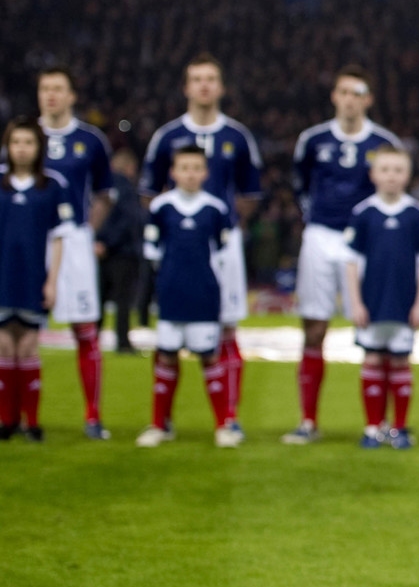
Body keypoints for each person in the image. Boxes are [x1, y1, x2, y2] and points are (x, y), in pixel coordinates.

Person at [142, 55, 262, 432]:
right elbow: (151, 193)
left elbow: (250, 195)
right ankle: (164, 420)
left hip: (222, 250)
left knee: (227, 329)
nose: (204, 86)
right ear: (186, 87)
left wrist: (223, 228)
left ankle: (230, 417)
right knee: (168, 336)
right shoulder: (167, 136)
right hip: (179, 251)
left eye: (211, 79)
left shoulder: (238, 137)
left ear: (222, 87)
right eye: (197, 79)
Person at [284, 66, 398, 444]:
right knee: (314, 327)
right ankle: (308, 421)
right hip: (320, 235)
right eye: (344, 92)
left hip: (364, 241)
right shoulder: (313, 140)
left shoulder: (383, 142)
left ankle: (377, 425)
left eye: (358, 93)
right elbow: (299, 182)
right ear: (335, 96)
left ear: (369, 99)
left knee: (374, 331)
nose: (350, 99)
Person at [136, 145, 243, 448]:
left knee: (209, 357)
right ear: (173, 172)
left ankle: (223, 426)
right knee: (167, 355)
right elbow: (152, 252)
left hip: (204, 296)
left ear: (205, 173)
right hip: (171, 294)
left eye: (196, 168)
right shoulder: (161, 208)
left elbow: (222, 256)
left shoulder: (215, 209)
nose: (190, 174)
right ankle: (159, 425)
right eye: (184, 167)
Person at [35, 67, 114, 439]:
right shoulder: (22, 137)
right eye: (45, 89)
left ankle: (93, 416)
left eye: (58, 89)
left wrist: (87, 233)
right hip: (31, 242)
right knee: (17, 329)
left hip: (75, 239)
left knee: (85, 329)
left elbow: (105, 193)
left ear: (71, 96)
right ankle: (21, 417)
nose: (51, 95)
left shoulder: (91, 140)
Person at [342, 147, 419, 451]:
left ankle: (398, 428)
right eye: (385, 170)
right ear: (373, 175)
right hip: (371, 303)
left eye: (398, 170)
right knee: (371, 358)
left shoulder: (416, 215)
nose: (391, 176)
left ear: (407, 176)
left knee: (400, 360)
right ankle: (373, 427)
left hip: (404, 304)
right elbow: (350, 262)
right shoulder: (363, 213)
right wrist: (355, 303)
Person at [0, 120, 76, 442]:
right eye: (16, 141)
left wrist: (52, 281)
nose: (21, 148)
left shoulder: (51, 186)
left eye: (28, 142)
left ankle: (32, 422)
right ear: (8, 145)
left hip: (33, 276)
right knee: (4, 345)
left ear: (38, 147)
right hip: (3, 276)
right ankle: (7, 420)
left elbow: (59, 238)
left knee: (29, 347)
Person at [97, 148, 146, 356]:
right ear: (129, 167)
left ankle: (92, 339)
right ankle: (123, 341)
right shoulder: (123, 185)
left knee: (99, 297)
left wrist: (98, 241)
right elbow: (127, 219)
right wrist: (108, 242)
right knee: (122, 299)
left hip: (101, 250)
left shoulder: (103, 185)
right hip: (122, 252)